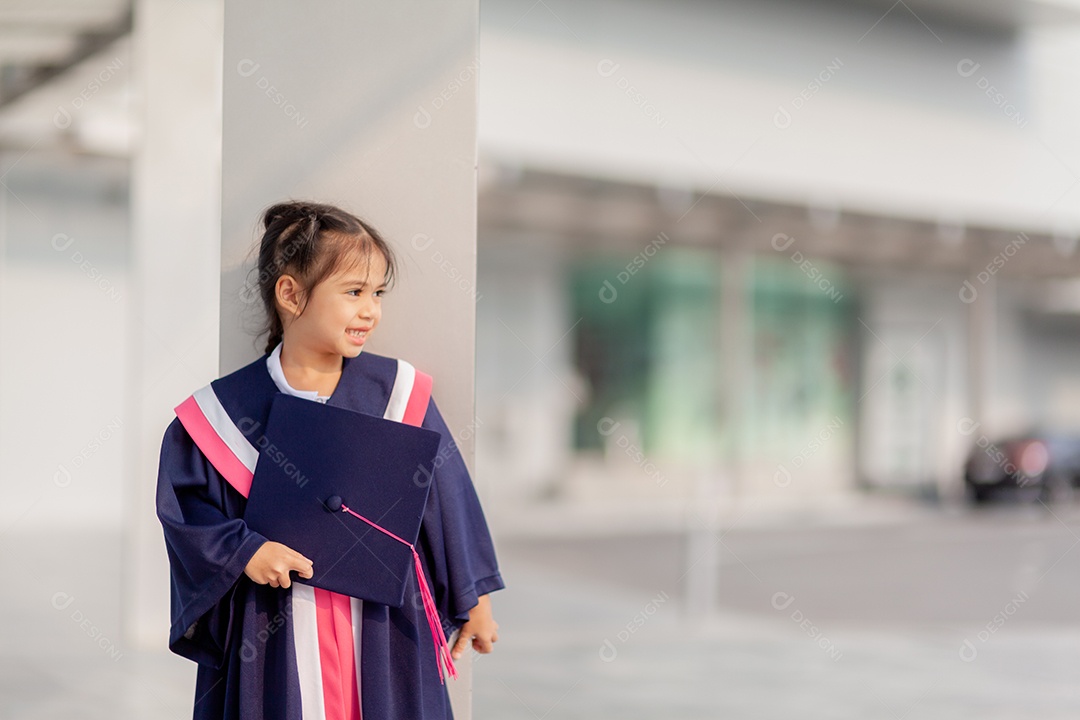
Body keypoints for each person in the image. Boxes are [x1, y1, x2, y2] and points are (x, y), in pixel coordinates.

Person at [156, 200, 504, 719]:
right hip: (273, 624)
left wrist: (474, 598)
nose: (372, 310)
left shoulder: (398, 395)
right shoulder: (220, 416)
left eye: (378, 293)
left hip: (384, 622)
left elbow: (445, 497)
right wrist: (245, 551)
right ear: (291, 294)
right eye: (354, 292)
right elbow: (188, 514)